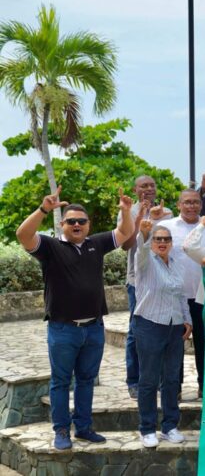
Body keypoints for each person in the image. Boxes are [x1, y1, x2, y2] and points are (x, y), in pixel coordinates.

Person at [16, 186, 133, 450]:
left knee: (86, 380)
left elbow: (126, 233)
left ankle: (83, 427)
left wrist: (126, 212)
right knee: (60, 382)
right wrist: (44, 209)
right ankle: (61, 430)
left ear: (88, 225)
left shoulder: (96, 244)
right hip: (63, 330)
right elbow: (23, 235)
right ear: (62, 224)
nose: (77, 224)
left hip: (94, 328)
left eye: (82, 221)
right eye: (71, 221)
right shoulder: (50, 247)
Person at [133, 220, 192, 448]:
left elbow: (181, 294)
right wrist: (145, 234)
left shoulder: (177, 264)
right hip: (149, 324)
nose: (162, 243)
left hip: (174, 326)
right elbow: (141, 250)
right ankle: (147, 428)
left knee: (171, 379)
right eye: (158, 239)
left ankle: (170, 426)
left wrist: (186, 319)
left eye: (166, 239)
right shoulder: (146, 262)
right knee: (148, 380)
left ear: (171, 242)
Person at [118, 175, 173, 400]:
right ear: (135, 189)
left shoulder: (167, 213)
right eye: (143, 186)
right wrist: (141, 219)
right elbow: (126, 245)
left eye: (152, 185)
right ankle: (134, 380)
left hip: (163, 281)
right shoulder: (128, 212)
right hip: (138, 282)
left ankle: (158, 380)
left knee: (161, 331)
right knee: (136, 331)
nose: (148, 189)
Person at [160, 189, 205, 398]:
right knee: (174, 346)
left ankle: (204, 386)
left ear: (201, 205)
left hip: (204, 297)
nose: (191, 206)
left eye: (195, 202)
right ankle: (175, 388)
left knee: (204, 344)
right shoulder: (166, 227)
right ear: (179, 204)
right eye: (187, 202)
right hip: (176, 297)